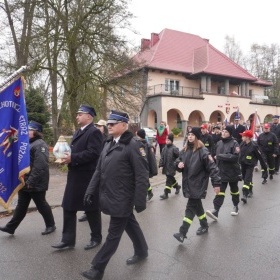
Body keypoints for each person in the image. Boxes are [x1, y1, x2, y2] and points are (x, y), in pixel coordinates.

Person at [82, 110, 149, 280]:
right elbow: (99, 170)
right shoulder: (108, 143)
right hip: (110, 194)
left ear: (124, 125)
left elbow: (142, 175)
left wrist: (140, 200)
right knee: (130, 223)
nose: (109, 126)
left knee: (113, 234)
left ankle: (97, 269)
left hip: (123, 197)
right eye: (108, 123)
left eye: (113, 123)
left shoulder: (134, 145)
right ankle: (142, 251)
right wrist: (90, 190)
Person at [52, 105, 103, 250]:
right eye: (77, 114)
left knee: (91, 208)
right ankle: (68, 240)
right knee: (68, 207)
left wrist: (73, 158)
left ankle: (96, 237)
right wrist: (66, 157)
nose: (77, 116)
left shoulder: (94, 132)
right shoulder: (78, 131)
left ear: (89, 116)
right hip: (75, 175)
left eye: (80, 114)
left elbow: (94, 153)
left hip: (87, 177)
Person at [0, 121, 56, 235]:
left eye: (29, 130)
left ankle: (51, 225)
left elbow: (40, 166)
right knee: (21, 206)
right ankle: (11, 227)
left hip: (35, 182)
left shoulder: (40, 145)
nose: (26, 131)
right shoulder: (27, 144)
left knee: (41, 204)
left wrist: (31, 181)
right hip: (24, 181)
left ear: (36, 132)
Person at [173, 127, 221, 243]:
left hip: (198, 184)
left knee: (190, 208)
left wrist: (216, 183)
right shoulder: (184, 150)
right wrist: (178, 164)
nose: (190, 136)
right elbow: (177, 160)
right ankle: (204, 225)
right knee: (197, 207)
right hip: (188, 183)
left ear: (197, 137)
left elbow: (213, 168)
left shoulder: (203, 151)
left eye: (192, 135)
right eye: (188, 134)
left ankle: (182, 232)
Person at [206, 125, 242, 220]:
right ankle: (216, 211)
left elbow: (235, 157)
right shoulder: (219, 143)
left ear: (230, 133)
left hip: (232, 172)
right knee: (220, 192)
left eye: (226, 132)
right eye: (223, 131)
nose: (223, 133)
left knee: (234, 191)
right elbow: (213, 155)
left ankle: (235, 206)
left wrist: (220, 156)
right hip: (221, 172)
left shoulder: (235, 143)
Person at [79, 119, 108, 223]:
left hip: (102, 168)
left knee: (98, 191)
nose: (98, 127)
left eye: (100, 126)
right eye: (97, 126)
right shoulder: (93, 135)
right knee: (90, 190)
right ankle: (88, 212)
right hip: (94, 169)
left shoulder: (107, 139)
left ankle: (97, 210)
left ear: (104, 128)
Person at [239, 130, 267, 203]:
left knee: (247, 179)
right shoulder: (242, 144)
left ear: (247, 137)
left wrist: (264, 166)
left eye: (243, 136)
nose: (242, 137)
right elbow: (239, 153)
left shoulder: (254, 146)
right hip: (243, 164)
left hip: (250, 165)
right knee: (246, 178)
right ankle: (250, 190)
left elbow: (260, 156)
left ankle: (245, 195)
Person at [136, 129, 158, 201]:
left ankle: (143, 196)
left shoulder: (143, 145)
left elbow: (144, 157)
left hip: (143, 166)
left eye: (137, 135)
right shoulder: (141, 143)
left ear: (139, 136)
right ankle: (149, 192)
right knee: (145, 181)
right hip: (142, 166)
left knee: (143, 181)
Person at [159, 133, 181, 199]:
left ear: (171, 141)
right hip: (166, 167)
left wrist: (176, 163)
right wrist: (161, 165)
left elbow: (179, 157)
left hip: (172, 167)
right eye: (166, 140)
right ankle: (177, 186)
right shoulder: (164, 148)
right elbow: (162, 157)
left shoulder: (174, 148)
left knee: (168, 180)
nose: (167, 141)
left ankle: (166, 193)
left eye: (168, 140)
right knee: (171, 178)